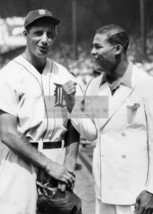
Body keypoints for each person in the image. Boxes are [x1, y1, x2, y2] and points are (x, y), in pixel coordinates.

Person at [0, 9, 82, 214]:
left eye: (50, 34)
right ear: (25, 34)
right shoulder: (8, 75)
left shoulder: (63, 74)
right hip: (21, 162)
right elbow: (7, 133)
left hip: (58, 159)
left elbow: (77, 121)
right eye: (38, 33)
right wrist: (48, 165)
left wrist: (70, 162)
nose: (45, 39)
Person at [68, 24, 153, 214]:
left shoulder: (146, 84)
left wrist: (151, 190)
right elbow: (91, 133)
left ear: (117, 49)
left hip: (136, 194)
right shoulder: (95, 85)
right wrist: (71, 106)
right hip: (104, 192)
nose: (92, 52)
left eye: (98, 47)